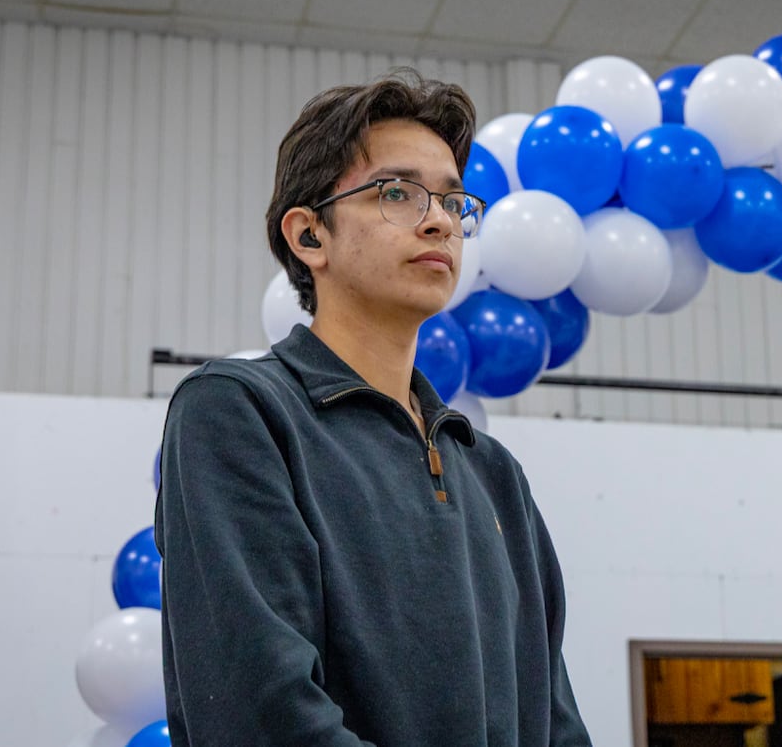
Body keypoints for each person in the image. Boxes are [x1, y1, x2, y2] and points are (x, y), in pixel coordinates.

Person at [154, 69, 591, 746]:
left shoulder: (494, 474)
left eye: (452, 200)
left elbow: (555, 720)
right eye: (396, 192)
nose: (438, 219)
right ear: (308, 237)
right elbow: (260, 712)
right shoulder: (240, 415)